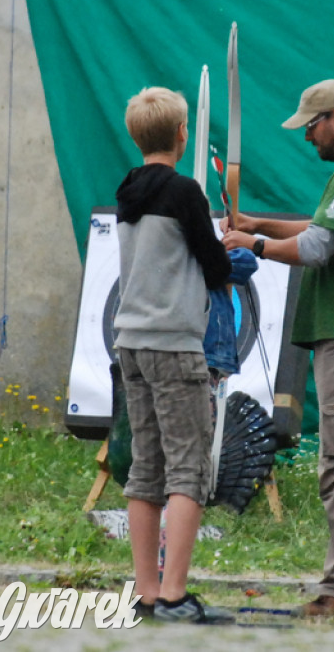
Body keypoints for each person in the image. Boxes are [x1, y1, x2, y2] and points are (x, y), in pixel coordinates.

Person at [222, 79, 334, 621]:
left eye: (311, 125)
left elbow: (318, 247)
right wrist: (258, 224)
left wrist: (252, 245)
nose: (306, 136)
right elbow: (323, 228)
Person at [114, 86, 234, 624]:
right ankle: (174, 593)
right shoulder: (186, 192)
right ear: (182, 135)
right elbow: (213, 265)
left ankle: (145, 590)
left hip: (131, 342)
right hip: (173, 343)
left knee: (146, 467)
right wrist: (227, 246)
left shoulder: (128, 188)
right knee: (189, 468)